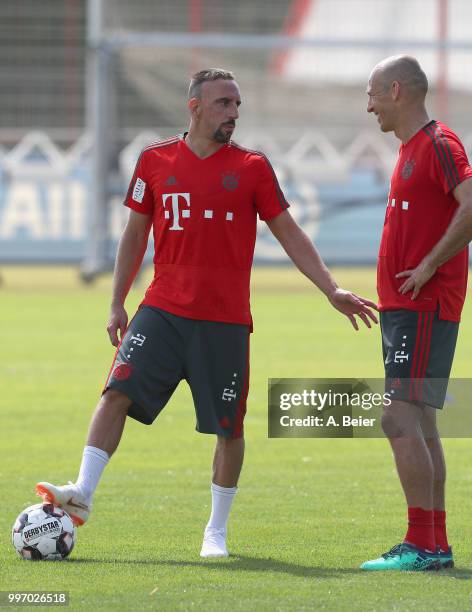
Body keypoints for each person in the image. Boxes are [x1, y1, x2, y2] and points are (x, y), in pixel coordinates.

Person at [36, 68, 378, 558]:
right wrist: (117, 300)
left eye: (237, 105)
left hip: (224, 322)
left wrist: (331, 288)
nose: (233, 114)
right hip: (162, 309)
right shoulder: (154, 161)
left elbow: (289, 233)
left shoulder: (253, 168)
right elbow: (135, 235)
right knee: (115, 393)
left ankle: (215, 532)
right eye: (223, 104)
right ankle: (83, 493)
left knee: (228, 428)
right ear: (194, 106)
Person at [361, 56, 472, 571]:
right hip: (408, 307)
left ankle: (423, 544)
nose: (368, 105)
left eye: (372, 94)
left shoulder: (438, 144)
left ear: (397, 90)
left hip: (422, 305)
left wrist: (428, 265)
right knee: (420, 420)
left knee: (396, 415)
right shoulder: (412, 149)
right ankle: (433, 544)